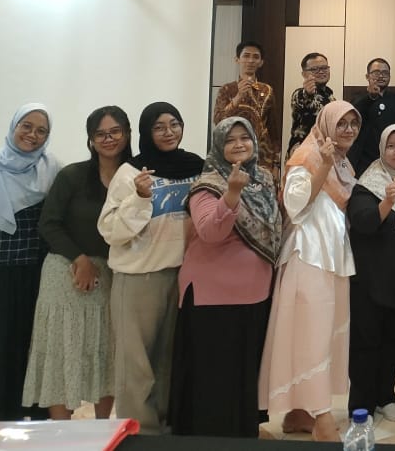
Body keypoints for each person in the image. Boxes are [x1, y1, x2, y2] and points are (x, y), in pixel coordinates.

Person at [170, 117, 283, 437]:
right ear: (219, 145)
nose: (238, 144)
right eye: (230, 140)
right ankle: (213, 438)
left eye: (244, 138)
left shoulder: (263, 178)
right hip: (213, 298)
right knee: (214, 376)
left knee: (245, 372)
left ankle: (244, 432)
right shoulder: (207, 184)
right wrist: (232, 193)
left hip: (256, 293)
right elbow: (210, 232)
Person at [258, 100, 360, 442]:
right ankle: (322, 418)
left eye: (353, 124)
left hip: (332, 257)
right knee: (311, 338)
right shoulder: (308, 155)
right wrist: (324, 164)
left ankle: (299, 412)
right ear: (326, 123)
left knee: (319, 336)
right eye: (341, 123)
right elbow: (296, 205)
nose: (348, 129)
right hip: (309, 255)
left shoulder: (341, 161)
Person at [99, 102, 203, 433]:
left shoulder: (196, 168)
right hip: (139, 278)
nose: (169, 132)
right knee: (137, 365)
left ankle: (166, 428)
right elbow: (110, 230)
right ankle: (139, 432)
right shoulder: (130, 173)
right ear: (146, 132)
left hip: (183, 275)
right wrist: (141, 197)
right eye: (159, 127)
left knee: (170, 359)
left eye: (175, 124)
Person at [24, 106, 130, 420]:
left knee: (105, 351)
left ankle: (101, 430)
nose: (108, 139)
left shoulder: (135, 176)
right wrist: (79, 259)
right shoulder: (72, 175)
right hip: (65, 271)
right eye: (100, 133)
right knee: (62, 353)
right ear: (91, 139)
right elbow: (49, 224)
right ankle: (62, 432)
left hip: (112, 274)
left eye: (115, 131)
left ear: (127, 134)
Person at [0, 103, 60, 422]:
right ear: (14, 127)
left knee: (33, 346)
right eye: (26, 126)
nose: (33, 135)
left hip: (38, 274)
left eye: (41, 130)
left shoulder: (53, 173)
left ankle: (32, 416)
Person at [346, 124, 395, 423]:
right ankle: (362, 404)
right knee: (367, 341)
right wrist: (387, 202)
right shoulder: (369, 182)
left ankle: (386, 396)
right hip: (371, 280)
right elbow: (362, 221)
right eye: (391, 146)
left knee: (393, 339)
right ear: (382, 150)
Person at [213, 41, 279, 185]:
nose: (251, 60)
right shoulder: (227, 89)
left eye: (256, 57)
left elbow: (273, 130)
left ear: (261, 62)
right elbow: (218, 121)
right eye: (246, 56)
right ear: (237, 59)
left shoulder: (267, 90)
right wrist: (238, 97)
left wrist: (276, 164)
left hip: (263, 158)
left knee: (262, 194)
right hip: (233, 154)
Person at [351, 58, 395, 176]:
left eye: (385, 73)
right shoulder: (358, 98)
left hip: (390, 157)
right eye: (376, 73)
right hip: (362, 159)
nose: (381, 76)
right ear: (367, 76)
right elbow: (353, 115)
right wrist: (371, 97)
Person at [287, 52, 335, 156]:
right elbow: (302, 100)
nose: (321, 72)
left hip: (325, 152)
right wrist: (307, 93)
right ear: (304, 74)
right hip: (302, 153)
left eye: (324, 68)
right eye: (315, 69)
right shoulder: (299, 94)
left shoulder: (330, 96)